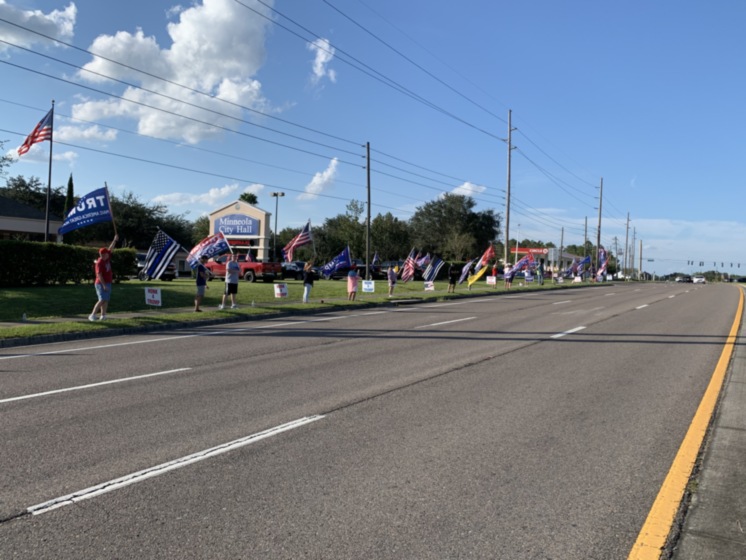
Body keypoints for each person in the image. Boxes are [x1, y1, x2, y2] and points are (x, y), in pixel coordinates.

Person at [89, 234, 119, 321]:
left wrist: (115, 240)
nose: (106, 255)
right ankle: (92, 315)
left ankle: (103, 315)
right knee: (102, 299)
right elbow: (99, 275)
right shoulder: (100, 262)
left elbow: (110, 249)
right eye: (103, 254)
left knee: (106, 300)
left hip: (108, 282)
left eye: (106, 254)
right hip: (101, 283)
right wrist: (104, 285)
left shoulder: (107, 258)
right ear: (101, 254)